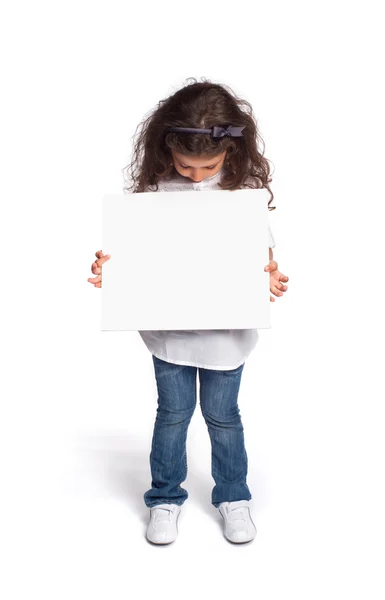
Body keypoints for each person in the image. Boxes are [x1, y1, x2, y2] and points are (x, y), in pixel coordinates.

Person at [87, 79, 289, 545]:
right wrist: (107, 268)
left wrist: (270, 278)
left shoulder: (242, 198)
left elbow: (262, 261)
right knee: (172, 415)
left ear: (231, 156)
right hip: (171, 332)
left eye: (208, 166)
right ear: (167, 151)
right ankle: (164, 498)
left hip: (226, 333)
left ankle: (233, 496)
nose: (196, 175)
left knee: (224, 417)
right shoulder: (156, 192)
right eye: (185, 165)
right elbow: (130, 254)